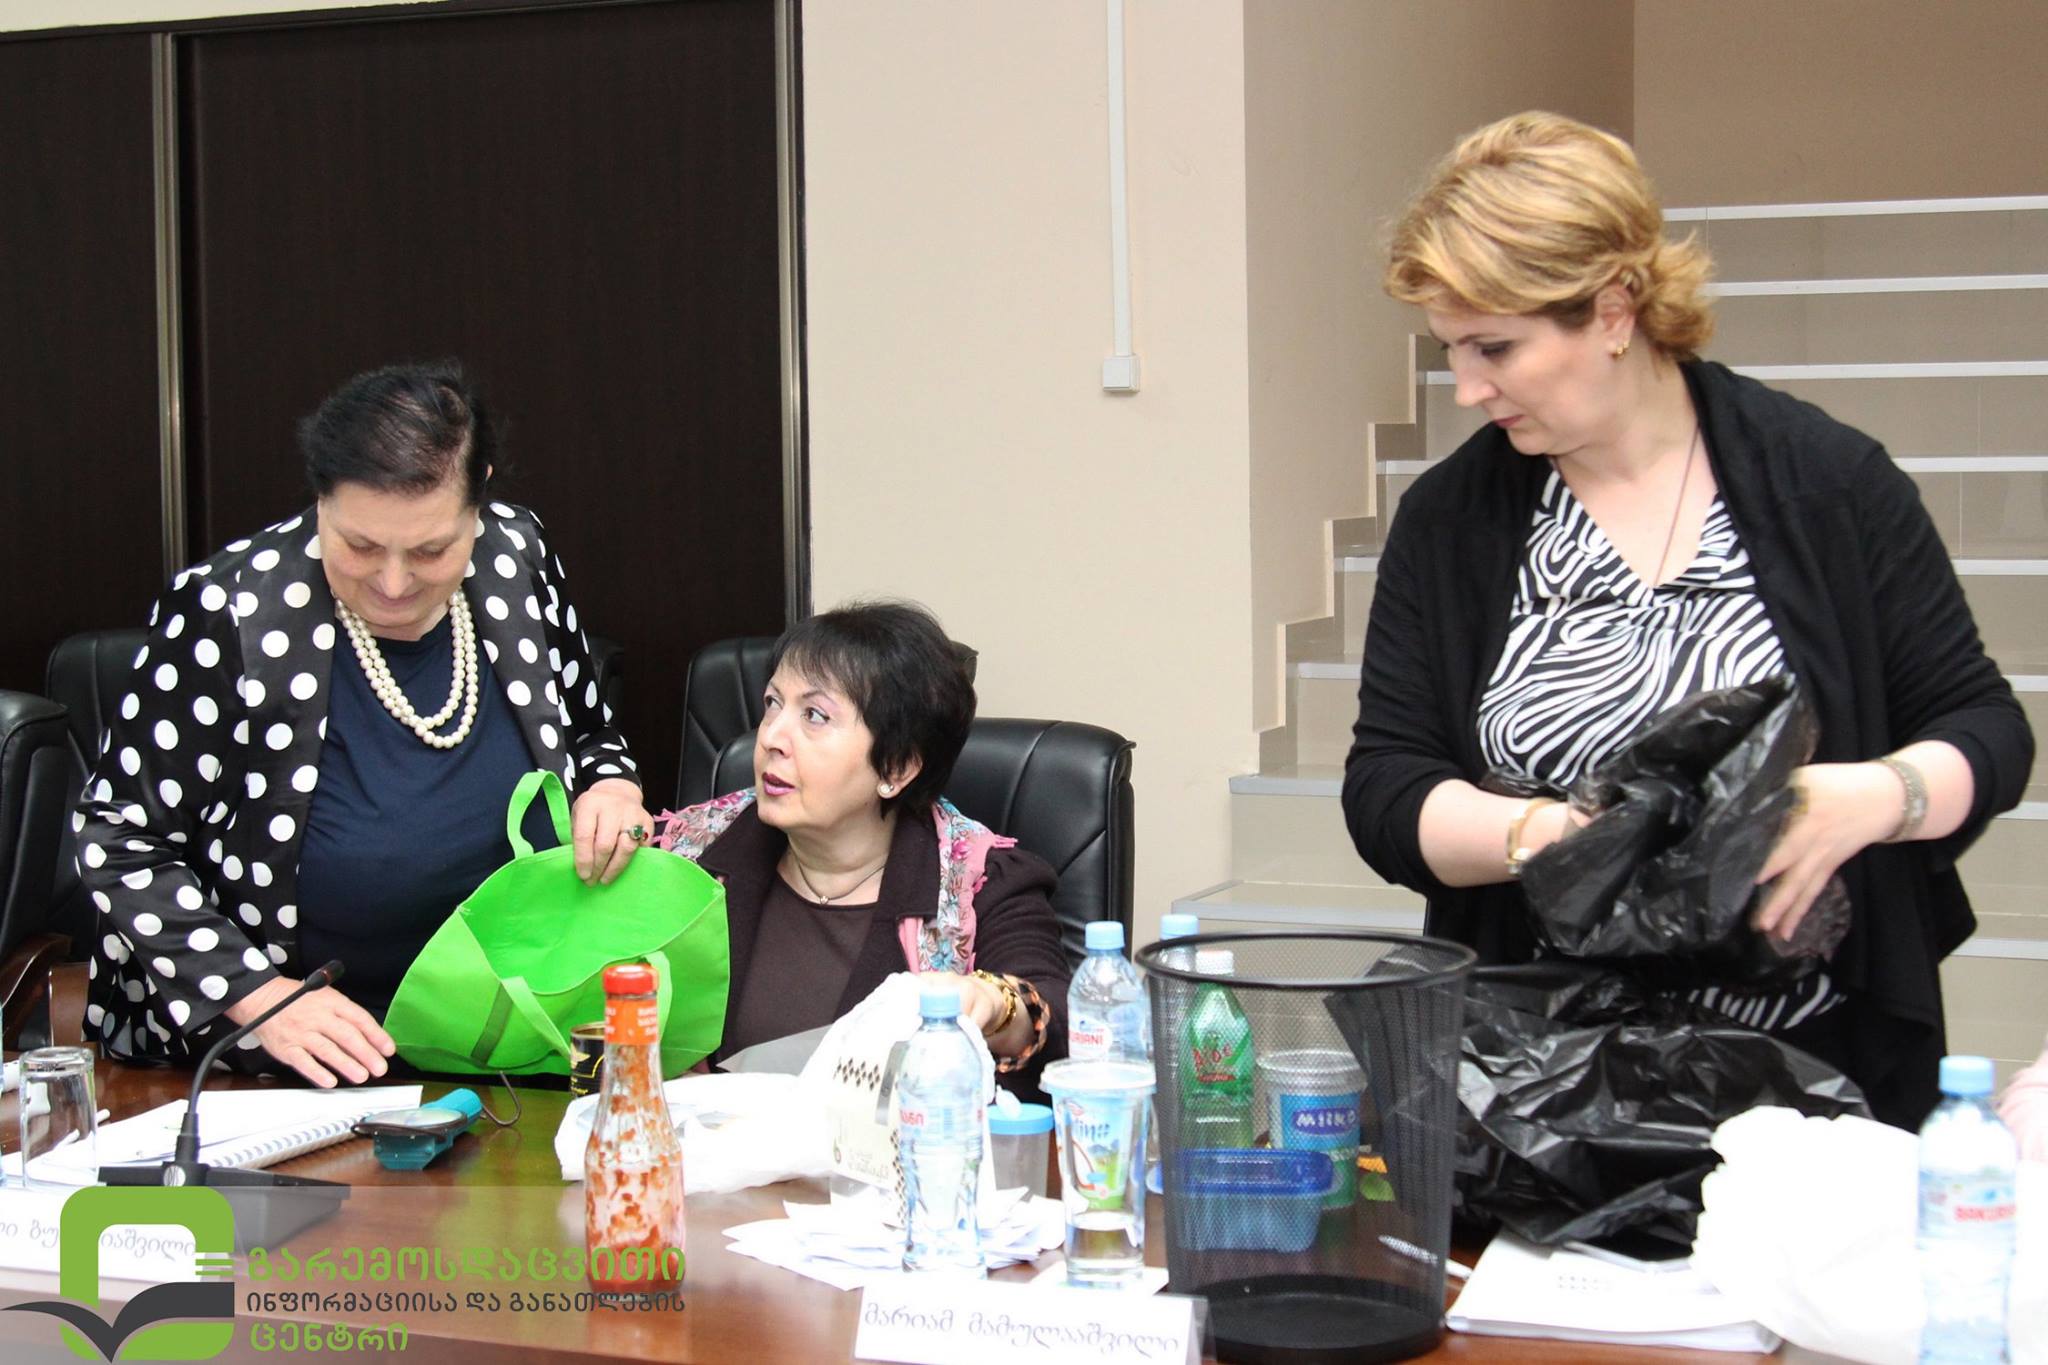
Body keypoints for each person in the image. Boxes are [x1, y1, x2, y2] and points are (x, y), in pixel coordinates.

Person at [1342, 111, 2033, 1127]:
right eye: (1451, 349)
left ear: (1612, 309)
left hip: (1811, 1087)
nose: (1468, 387)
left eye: (1495, 347)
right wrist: (1556, 836)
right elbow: (1386, 788)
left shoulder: (1827, 483)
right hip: (1541, 1088)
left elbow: (1985, 731)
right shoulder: (1453, 521)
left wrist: (1870, 798)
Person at [75, 361, 654, 1087]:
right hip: (293, 1064)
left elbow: (591, 735)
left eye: (431, 550)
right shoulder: (231, 612)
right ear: (320, 499)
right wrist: (260, 998)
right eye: (359, 545)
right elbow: (116, 837)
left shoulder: (516, 555)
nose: (393, 582)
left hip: (512, 1037)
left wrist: (612, 788)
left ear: (479, 499)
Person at [653, 601, 1068, 1094]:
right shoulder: (692, 850)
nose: (772, 738)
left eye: (814, 715)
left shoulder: (976, 882)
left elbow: (1056, 1018)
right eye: (772, 704)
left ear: (896, 768)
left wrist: (996, 1004)